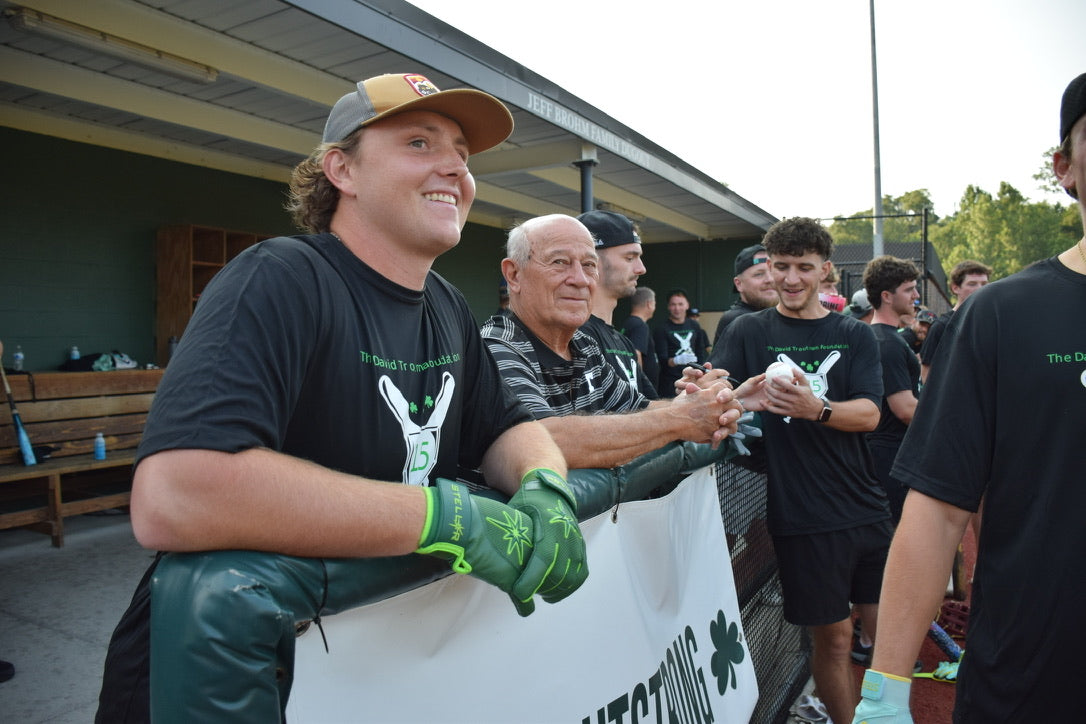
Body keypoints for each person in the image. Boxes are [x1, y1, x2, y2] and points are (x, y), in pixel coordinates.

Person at [96, 73, 588, 721]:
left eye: (463, 155)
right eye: (419, 143)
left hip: (373, 668)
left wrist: (544, 485)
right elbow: (176, 494)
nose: (454, 169)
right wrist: (446, 519)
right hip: (226, 675)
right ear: (342, 171)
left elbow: (504, 429)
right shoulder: (281, 277)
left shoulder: (445, 304)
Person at [851, 71, 1086, 724]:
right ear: (1064, 167)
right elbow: (936, 513)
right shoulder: (1002, 316)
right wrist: (887, 690)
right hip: (1030, 682)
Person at [701, 217, 889, 724]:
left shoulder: (854, 334)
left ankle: (887, 715)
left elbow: (870, 414)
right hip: (802, 516)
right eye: (780, 266)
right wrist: (712, 392)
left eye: (803, 267)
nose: (790, 278)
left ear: (825, 271)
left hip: (865, 508)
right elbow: (721, 397)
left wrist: (817, 410)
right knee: (834, 639)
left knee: (889, 639)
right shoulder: (747, 330)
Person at [480, 214, 742, 470]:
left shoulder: (583, 345)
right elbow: (541, 440)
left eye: (589, 265)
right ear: (514, 275)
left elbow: (641, 409)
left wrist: (705, 403)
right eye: (559, 262)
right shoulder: (496, 345)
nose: (580, 279)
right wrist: (681, 418)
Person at [862, 256, 921, 525]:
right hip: (891, 458)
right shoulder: (887, 343)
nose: (916, 296)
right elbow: (905, 409)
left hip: (887, 455)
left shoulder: (882, 337)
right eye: (909, 289)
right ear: (887, 296)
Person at [576, 210, 658, 399]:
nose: (641, 269)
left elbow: (648, 407)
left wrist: (694, 395)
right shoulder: (573, 337)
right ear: (591, 262)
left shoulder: (624, 342)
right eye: (629, 258)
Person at [919, 259, 991, 383]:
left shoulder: (991, 325)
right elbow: (927, 372)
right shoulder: (941, 327)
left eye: (984, 284)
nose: (980, 289)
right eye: (972, 284)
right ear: (955, 288)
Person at [712, 243, 778, 347]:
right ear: (739, 284)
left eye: (773, 272)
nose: (770, 279)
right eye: (759, 274)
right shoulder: (737, 320)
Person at [653, 288, 710, 397]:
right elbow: (662, 359)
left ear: (687, 305)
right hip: (670, 382)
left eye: (680, 304)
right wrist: (676, 360)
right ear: (668, 307)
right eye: (673, 304)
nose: (677, 308)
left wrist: (700, 373)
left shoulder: (694, 325)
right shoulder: (661, 329)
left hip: (692, 379)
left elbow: (700, 352)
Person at [621, 286, 660, 391]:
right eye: (654, 303)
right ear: (649, 304)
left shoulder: (629, 322)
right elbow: (636, 353)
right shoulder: (640, 325)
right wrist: (640, 385)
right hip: (642, 390)